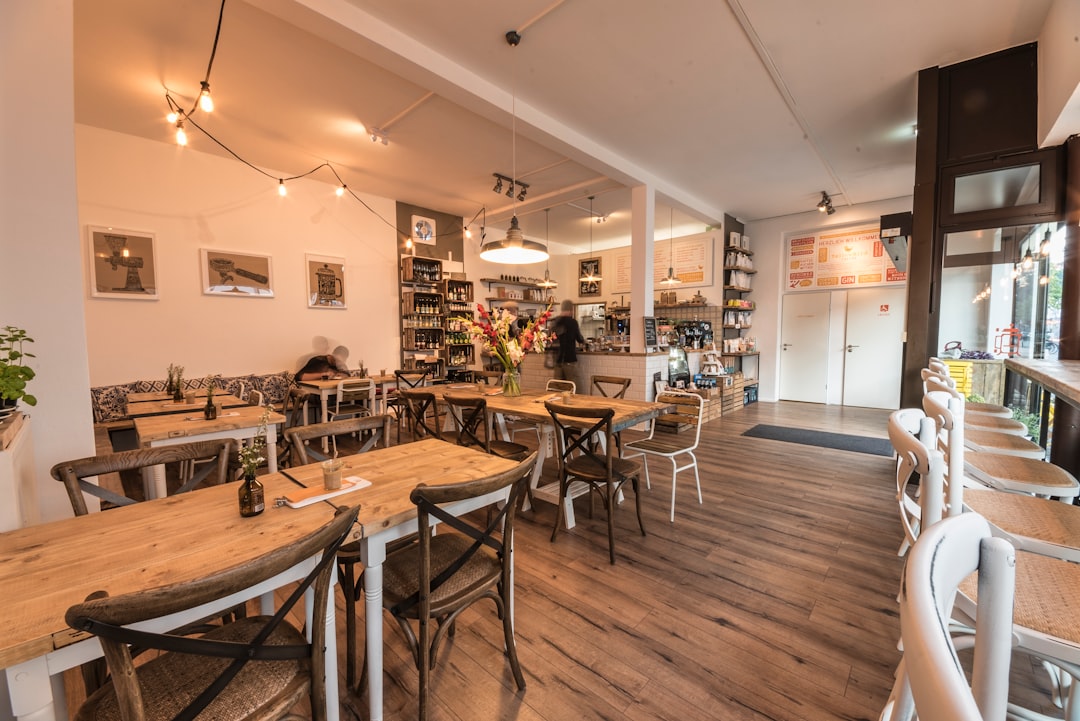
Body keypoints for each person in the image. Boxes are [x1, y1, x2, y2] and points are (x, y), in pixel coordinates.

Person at [551, 299, 585, 390]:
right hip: (569, 359)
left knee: (557, 387)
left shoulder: (555, 321)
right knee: (573, 385)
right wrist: (584, 343)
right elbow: (579, 338)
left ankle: (556, 404)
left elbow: (549, 338)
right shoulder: (573, 322)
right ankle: (575, 403)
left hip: (558, 359)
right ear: (571, 310)